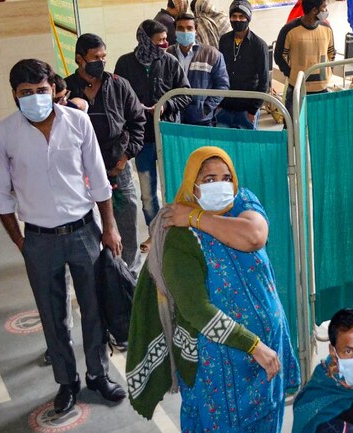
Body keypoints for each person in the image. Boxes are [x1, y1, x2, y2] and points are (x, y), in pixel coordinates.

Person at [126, 146, 300, 432]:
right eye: (208, 179)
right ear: (192, 185)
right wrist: (254, 346)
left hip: (268, 351)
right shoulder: (178, 236)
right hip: (220, 366)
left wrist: (196, 217)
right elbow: (197, 311)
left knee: (268, 420)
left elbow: (254, 236)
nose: (220, 185)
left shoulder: (242, 201)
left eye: (226, 177)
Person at [0, 59, 126, 415]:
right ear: (15, 95)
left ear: (54, 89)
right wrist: (21, 242)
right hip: (38, 238)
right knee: (53, 315)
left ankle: (98, 374)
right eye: (26, 93)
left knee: (94, 308)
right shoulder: (4, 134)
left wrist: (109, 227)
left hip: (84, 230)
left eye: (41, 90)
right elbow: (1, 196)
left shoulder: (78, 122)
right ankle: (67, 382)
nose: (35, 98)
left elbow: (99, 180)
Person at [66, 34, 147, 274]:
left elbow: (138, 122)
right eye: (94, 58)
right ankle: (99, 275)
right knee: (90, 226)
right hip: (82, 176)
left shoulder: (119, 85)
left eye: (103, 57)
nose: (100, 62)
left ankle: (130, 273)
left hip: (117, 169)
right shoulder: (66, 89)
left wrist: (125, 157)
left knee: (127, 220)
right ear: (79, 59)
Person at [115, 20, 191, 252]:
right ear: (145, 40)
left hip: (167, 137)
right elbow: (117, 97)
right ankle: (156, 233)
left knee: (173, 188)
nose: (165, 44)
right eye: (159, 40)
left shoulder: (170, 62)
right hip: (142, 141)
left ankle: (176, 232)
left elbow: (185, 94)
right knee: (148, 194)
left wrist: (165, 106)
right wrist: (134, 107)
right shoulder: (125, 64)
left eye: (166, 39)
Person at [275, 0, 336, 117]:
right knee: (293, 127)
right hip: (297, 90)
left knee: (319, 127)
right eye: (324, 7)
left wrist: (328, 72)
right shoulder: (289, 30)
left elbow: (331, 52)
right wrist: (291, 74)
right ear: (314, 10)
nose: (326, 11)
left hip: (321, 90)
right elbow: (279, 56)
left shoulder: (327, 28)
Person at [168, 13, 229, 127]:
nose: (185, 32)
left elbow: (222, 85)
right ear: (175, 31)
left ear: (196, 30)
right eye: (180, 28)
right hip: (174, 118)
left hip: (202, 120)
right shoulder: (167, 54)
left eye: (189, 28)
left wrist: (206, 107)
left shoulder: (212, 55)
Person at [218, 0, 270, 129]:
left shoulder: (259, 45)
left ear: (248, 18)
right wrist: (218, 103)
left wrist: (253, 110)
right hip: (224, 106)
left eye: (241, 16)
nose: (237, 20)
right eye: (234, 16)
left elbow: (264, 81)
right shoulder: (224, 40)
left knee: (246, 146)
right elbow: (219, 72)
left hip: (247, 109)